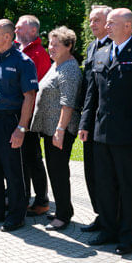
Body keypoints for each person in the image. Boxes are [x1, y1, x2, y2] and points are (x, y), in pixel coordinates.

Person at [79, 8, 132, 253]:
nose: (107, 27)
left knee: (127, 186)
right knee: (104, 184)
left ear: (128, 26)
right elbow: (92, 94)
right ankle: (108, 229)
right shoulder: (102, 53)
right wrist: (85, 124)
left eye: (112, 23)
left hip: (128, 135)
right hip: (101, 133)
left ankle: (128, 236)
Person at [0, 19, 38, 232]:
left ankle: (16, 215)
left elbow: (29, 96)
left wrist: (21, 128)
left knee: (13, 171)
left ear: (7, 37)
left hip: (10, 121)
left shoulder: (23, 62)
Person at [30, 26, 82, 231]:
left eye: (56, 44)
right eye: (50, 44)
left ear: (68, 46)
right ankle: (63, 208)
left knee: (59, 172)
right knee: (54, 170)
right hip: (50, 129)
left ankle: (63, 216)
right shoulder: (56, 64)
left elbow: (67, 103)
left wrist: (60, 130)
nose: (50, 48)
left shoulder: (69, 68)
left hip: (60, 130)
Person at [16, 15, 52, 216]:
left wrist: (27, 118)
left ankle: (41, 200)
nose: (16, 31)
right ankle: (24, 196)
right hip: (19, 114)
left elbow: (35, 89)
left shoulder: (38, 53)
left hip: (29, 117)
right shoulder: (19, 50)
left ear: (32, 31)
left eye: (20, 28)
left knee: (33, 158)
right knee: (22, 159)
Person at [80, 5, 112, 232]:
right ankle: (101, 214)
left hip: (108, 120)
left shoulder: (115, 48)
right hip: (91, 118)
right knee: (91, 171)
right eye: (91, 20)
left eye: (97, 20)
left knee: (106, 172)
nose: (92, 24)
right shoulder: (92, 47)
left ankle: (111, 216)